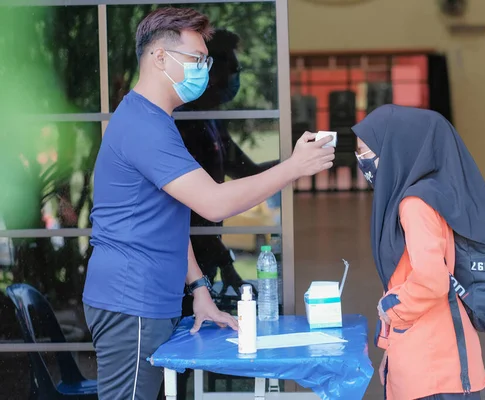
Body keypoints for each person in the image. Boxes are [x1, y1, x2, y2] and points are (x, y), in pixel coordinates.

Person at [82, 7, 334, 400]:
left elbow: (169, 217)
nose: (204, 69)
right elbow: (213, 204)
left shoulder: (156, 120)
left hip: (147, 301)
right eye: (197, 60)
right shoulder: (143, 126)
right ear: (159, 57)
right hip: (130, 302)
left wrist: (199, 286)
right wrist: (293, 168)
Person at [351, 104, 485, 400]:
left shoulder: (415, 205)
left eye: (367, 152)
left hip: (435, 370)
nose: (362, 161)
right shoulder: (435, 196)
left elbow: (432, 280)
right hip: (429, 361)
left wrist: (390, 309)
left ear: (396, 150)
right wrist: (390, 352)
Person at [176, 28, 276, 298]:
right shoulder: (185, 124)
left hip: (209, 254)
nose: (235, 78)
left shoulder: (212, 121)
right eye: (232, 69)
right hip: (186, 264)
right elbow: (194, 209)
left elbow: (248, 172)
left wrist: (294, 164)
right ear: (212, 74)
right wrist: (226, 262)